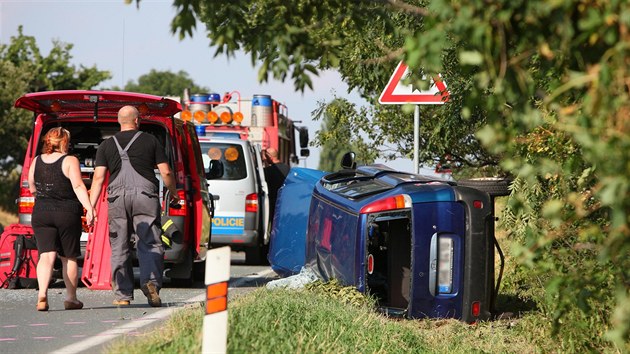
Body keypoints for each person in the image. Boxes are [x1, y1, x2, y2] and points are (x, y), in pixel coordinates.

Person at [89, 105, 179, 307]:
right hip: (145, 197)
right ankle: (151, 283)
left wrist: (90, 207)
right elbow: (166, 172)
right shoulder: (150, 140)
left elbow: (98, 178)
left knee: (119, 245)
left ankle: (122, 295)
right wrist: (173, 193)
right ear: (137, 121)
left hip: (117, 199)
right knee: (149, 241)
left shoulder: (106, 145)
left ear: (119, 121)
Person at [28, 127, 95, 311]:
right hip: (66, 212)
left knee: (46, 255)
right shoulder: (70, 160)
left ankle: (42, 294)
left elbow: (32, 187)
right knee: (69, 257)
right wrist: (89, 208)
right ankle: (71, 298)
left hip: (41, 211)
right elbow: (79, 186)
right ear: (65, 142)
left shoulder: (36, 161)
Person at [263, 147, 290, 223]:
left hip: (272, 203)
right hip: (284, 203)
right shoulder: (287, 168)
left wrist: (265, 162)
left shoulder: (268, 171)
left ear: (269, 157)